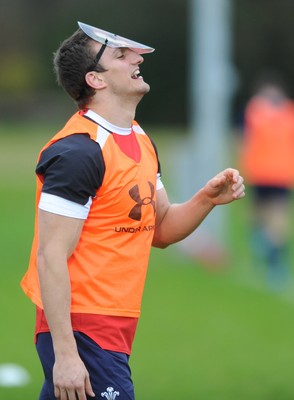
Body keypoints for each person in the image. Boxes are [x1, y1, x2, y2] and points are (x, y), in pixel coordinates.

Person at [21, 21, 245, 400]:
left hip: (114, 327)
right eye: (121, 56)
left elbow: (160, 230)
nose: (137, 58)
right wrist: (66, 355)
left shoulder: (139, 139)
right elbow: (50, 255)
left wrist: (205, 199)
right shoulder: (78, 152)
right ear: (96, 80)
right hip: (82, 329)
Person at [240, 73, 294, 289]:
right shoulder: (288, 112)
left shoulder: (255, 110)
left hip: (264, 172)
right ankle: (273, 260)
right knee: (273, 217)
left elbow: (244, 138)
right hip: (275, 173)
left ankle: (270, 256)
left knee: (269, 217)